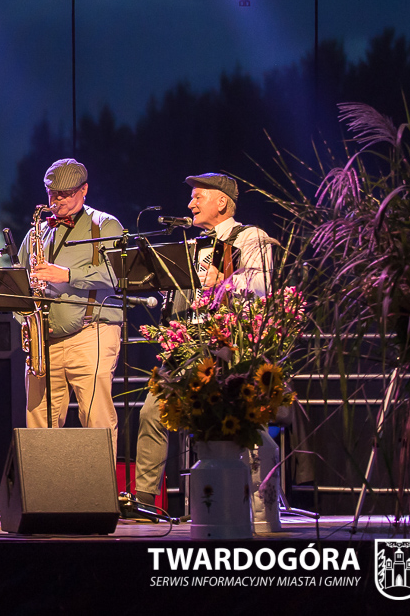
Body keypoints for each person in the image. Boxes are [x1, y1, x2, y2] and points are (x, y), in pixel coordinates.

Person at [132, 172, 278, 511]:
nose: (190, 204)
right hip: (187, 345)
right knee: (151, 412)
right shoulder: (193, 246)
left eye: (198, 196)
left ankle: (255, 504)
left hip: (227, 348)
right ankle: (143, 502)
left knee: (237, 424)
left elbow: (262, 288)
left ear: (222, 202)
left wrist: (225, 283)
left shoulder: (249, 237)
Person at [15, 158, 123, 451]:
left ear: (84, 190)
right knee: (39, 423)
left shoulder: (105, 225)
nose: (57, 200)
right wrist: (27, 322)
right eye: (52, 193)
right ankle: (44, 482)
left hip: (92, 333)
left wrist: (68, 275)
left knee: (96, 419)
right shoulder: (37, 232)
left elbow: (118, 273)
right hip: (44, 341)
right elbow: (16, 282)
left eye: (65, 194)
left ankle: (100, 483)